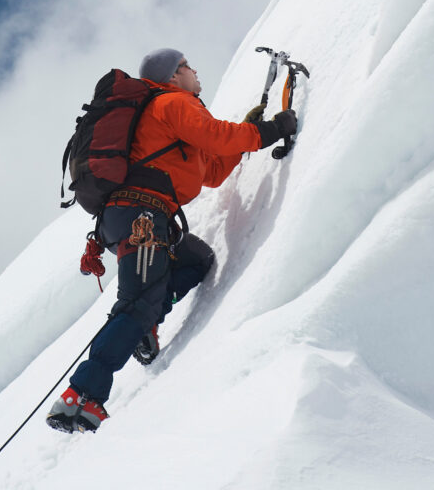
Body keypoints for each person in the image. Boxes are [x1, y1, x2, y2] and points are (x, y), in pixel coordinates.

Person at [46, 47, 297, 434]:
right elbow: (216, 135)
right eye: (189, 66)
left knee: (195, 260)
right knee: (134, 303)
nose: (197, 72)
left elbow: (210, 170)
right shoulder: (173, 102)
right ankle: (82, 395)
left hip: (127, 220)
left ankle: (145, 327)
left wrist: (250, 134)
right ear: (174, 74)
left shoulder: (161, 116)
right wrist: (270, 130)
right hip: (142, 218)